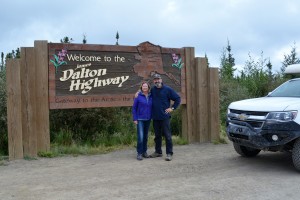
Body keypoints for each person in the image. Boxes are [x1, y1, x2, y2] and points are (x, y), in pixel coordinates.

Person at [149, 73, 181, 161]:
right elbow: (145, 94)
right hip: (155, 117)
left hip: (165, 117)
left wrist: (172, 108)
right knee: (157, 136)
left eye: (158, 79)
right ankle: (158, 152)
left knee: (167, 136)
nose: (157, 81)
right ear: (153, 81)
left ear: (161, 80)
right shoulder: (153, 90)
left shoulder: (167, 89)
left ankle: (169, 153)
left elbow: (178, 98)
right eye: (155, 79)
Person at [132, 81, 152, 161]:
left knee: (145, 137)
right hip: (140, 119)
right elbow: (134, 108)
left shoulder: (151, 96)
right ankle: (139, 153)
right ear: (141, 87)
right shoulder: (138, 96)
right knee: (140, 137)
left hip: (148, 119)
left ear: (148, 88)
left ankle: (144, 152)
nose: (145, 88)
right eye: (143, 86)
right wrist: (135, 118)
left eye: (146, 86)